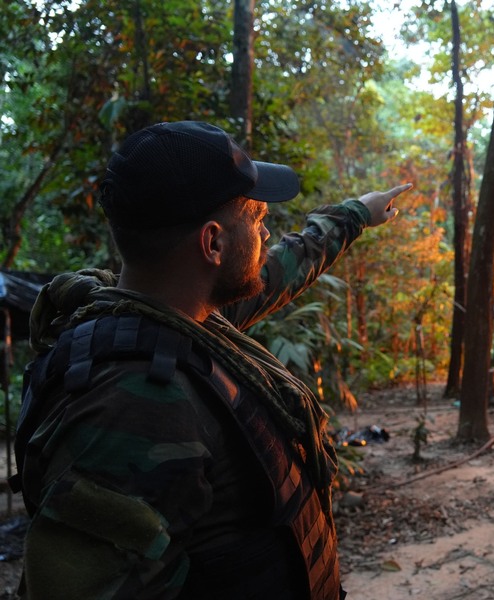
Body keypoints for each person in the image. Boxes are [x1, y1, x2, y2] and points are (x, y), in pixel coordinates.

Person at [12, 120, 411, 599]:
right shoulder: (133, 406)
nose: (266, 233)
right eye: (258, 218)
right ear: (214, 244)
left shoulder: (182, 316)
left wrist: (356, 215)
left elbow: (281, 269)